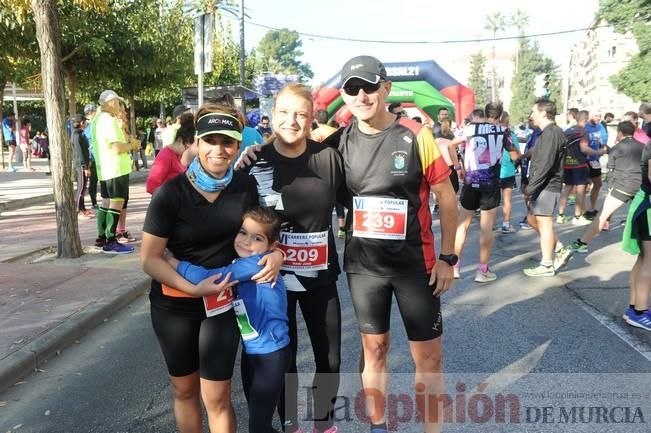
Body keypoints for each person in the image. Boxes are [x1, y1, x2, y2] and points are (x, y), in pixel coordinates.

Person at [330, 55, 457, 433]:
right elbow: (292, 158)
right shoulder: (337, 143)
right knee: (375, 350)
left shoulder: (417, 135)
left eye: (369, 86)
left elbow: (446, 197)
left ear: (385, 88)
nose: (361, 95)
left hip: (416, 265)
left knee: (429, 357)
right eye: (352, 88)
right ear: (343, 95)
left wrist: (448, 257)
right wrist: (253, 153)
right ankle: (378, 425)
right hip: (365, 268)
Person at [141, 102, 284, 433]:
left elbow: (261, 233)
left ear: (237, 145)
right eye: (210, 140)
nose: (219, 150)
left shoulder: (244, 186)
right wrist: (192, 288)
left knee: (217, 396)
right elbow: (149, 258)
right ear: (197, 142)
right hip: (174, 303)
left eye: (228, 142)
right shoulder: (170, 193)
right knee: (184, 390)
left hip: (221, 303)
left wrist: (277, 255)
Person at [243, 83, 345, 433]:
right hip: (273, 281)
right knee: (284, 357)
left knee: (329, 357)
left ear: (312, 117)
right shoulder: (256, 162)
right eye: (285, 112)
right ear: (272, 115)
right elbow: (240, 225)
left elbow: (355, 201)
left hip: (320, 277)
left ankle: (324, 423)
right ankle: (291, 425)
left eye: (301, 114)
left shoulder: (327, 158)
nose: (292, 120)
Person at [168, 207, 290, 433]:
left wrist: (172, 261)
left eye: (257, 238)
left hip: (271, 356)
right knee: (259, 422)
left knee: (259, 427)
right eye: (242, 233)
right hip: (252, 353)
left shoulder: (256, 263)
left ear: (271, 247)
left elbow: (209, 278)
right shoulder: (243, 263)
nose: (245, 241)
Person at [449, 103, 519, 282]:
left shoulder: (470, 128)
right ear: (500, 114)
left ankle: (455, 267)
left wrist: (458, 167)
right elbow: (514, 155)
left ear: (486, 113)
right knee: (486, 227)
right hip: (490, 184)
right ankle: (483, 270)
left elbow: (451, 145)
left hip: (471, 181)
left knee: (462, 225)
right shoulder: (503, 131)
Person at [570, 121, 643, 253]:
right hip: (641, 187)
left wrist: (610, 188)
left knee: (602, 216)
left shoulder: (616, 148)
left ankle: (582, 243)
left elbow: (611, 171)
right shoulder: (643, 147)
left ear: (620, 132)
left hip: (622, 187)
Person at [523, 99, 572, 277]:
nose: (531, 115)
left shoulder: (551, 133)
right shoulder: (548, 132)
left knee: (545, 225)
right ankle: (559, 248)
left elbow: (545, 164)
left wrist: (530, 188)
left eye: (533, 111)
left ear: (543, 112)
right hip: (544, 185)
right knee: (531, 219)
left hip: (547, 186)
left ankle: (546, 264)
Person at [90, 90, 134, 254]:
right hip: (115, 167)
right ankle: (110, 241)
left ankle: (101, 238)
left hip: (104, 168)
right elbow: (117, 147)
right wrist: (132, 145)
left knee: (106, 202)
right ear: (112, 102)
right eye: (117, 103)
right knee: (116, 202)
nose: (118, 106)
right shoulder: (108, 120)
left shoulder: (96, 119)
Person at [621, 138, 651, 330]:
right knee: (649, 260)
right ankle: (639, 311)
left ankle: (635, 308)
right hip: (648, 206)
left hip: (645, 203)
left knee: (643, 258)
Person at [557, 110, 607, 226]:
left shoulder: (568, 130)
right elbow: (584, 148)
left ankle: (560, 215)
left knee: (566, 190)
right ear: (585, 119)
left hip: (568, 163)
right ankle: (577, 216)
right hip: (579, 164)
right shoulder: (583, 131)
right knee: (580, 190)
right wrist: (597, 151)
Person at [146, 112, 195, 195]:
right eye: (187, 148)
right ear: (180, 140)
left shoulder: (180, 156)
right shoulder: (165, 156)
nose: (189, 153)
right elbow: (151, 186)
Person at [498, 111, 520, 233]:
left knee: (492, 200)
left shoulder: (491, 133)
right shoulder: (511, 135)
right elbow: (516, 155)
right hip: (508, 171)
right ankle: (506, 224)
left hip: (493, 171)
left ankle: (487, 224)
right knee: (507, 199)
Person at [584, 112, 608, 218]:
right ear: (590, 116)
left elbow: (603, 142)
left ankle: (591, 208)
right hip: (584, 160)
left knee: (597, 184)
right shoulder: (585, 127)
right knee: (582, 186)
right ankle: (580, 211)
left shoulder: (600, 126)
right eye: (596, 115)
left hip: (595, 160)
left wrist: (603, 149)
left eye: (600, 115)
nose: (599, 117)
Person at [70, 114, 94, 219]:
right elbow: (80, 153)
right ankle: (78, 210)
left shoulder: (79, 134)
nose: (86, 123)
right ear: (81, 123)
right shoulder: (77, 136)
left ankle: (82, 208)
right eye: (85, 121)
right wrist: (85, 167)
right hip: (80, 165)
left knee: (83, 188)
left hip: (82, 164)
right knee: (81, 188)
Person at [83, 104, 98, 207]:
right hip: (92, 159)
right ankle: (93, 202)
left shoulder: (93, 125)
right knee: (92, 181)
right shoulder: (90, 126)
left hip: (95, 158)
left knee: (93, 181)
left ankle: (93, 202)